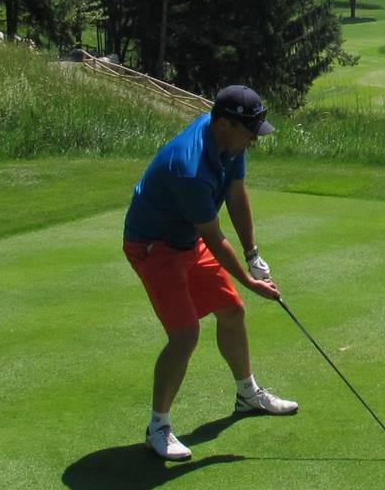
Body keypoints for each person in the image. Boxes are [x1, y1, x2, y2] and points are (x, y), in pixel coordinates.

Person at [124, 84, 297, 461]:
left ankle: (247, 394)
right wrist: (250, 282)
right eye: (249, 130)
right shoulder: (189, 167)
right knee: (185, 334)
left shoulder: (231, 144)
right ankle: (158, 426)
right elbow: (216, 238)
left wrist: (253, 254)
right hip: (153, 245)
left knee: (232, 311)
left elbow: (236, 194)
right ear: (223, 123)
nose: (254, 139)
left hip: (186, 240)